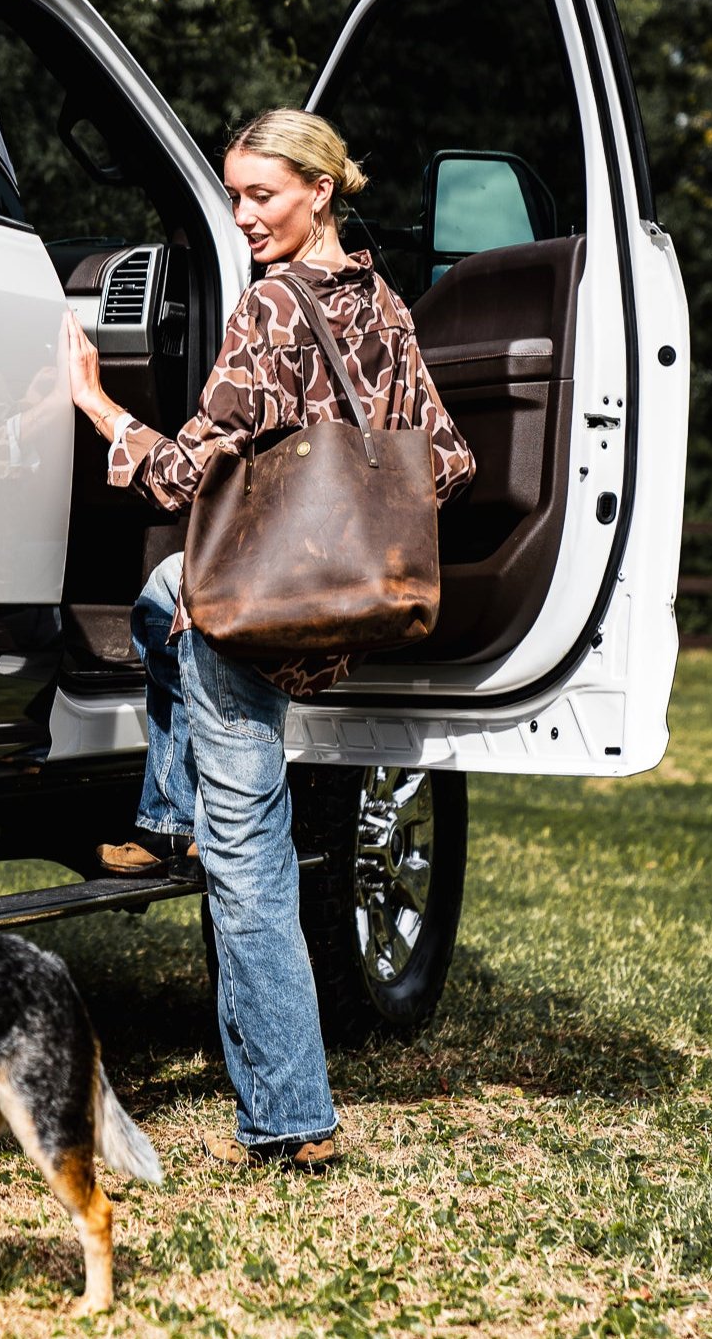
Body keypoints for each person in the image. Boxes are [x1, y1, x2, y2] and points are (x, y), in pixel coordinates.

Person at [63, 108, 475, 1169]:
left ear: (321, 189)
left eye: (264, 195)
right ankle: (166, 811)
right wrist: (342, 481)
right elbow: (450, 461)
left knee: (253, 870)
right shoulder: (386, 303)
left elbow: (181, 474)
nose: (243, 214)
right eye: (237, 194)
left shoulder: (266, 312)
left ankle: (292, 1119)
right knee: (161, 598)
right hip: (340, 602)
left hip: (248, 618)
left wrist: (99, 405)